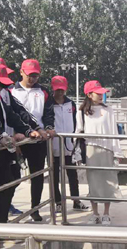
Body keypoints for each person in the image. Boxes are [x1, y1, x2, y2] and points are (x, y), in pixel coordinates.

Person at [0, 62, 40, 235]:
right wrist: (2, 136)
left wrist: (28, 130)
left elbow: (12, 115)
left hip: (3, 148)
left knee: (10, 183)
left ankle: (2, 225)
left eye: (2, 85)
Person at [10, 59, 55, 222]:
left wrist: (48, 127)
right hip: (17, 140)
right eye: (30, 75)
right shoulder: (11, 91)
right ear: (21, 72)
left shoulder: (43, 92)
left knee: (37, 175)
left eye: (35, 75)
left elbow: (48, 113)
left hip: (38, 139)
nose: (32, 78)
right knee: (12, 176)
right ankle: (6, 205)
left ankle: (35, 208)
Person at [75, 80, 122, 225]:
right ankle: (95, 213)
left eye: (102, 93)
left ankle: (106, 213)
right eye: (98, 93)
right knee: (93, 182)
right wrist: (76, 152)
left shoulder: (108, 110)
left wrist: (117, 151)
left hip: (107, 148)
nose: (101, 95)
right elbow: (78, 132)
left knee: (109, 181)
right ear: (89, 94)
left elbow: (114, 131)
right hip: (91, 149)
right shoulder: (81, 111)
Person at [48, 75, 87, 214]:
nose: (60, 92)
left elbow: (75, 122)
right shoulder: (48, 104)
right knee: (54, 175)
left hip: (69, 144)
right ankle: (58, 202)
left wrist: (74, 139)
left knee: (72, 174)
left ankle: (76, 200)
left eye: (62, 89)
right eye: (57, 89)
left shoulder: (71, 104)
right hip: (53, 143)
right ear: (53, 88)